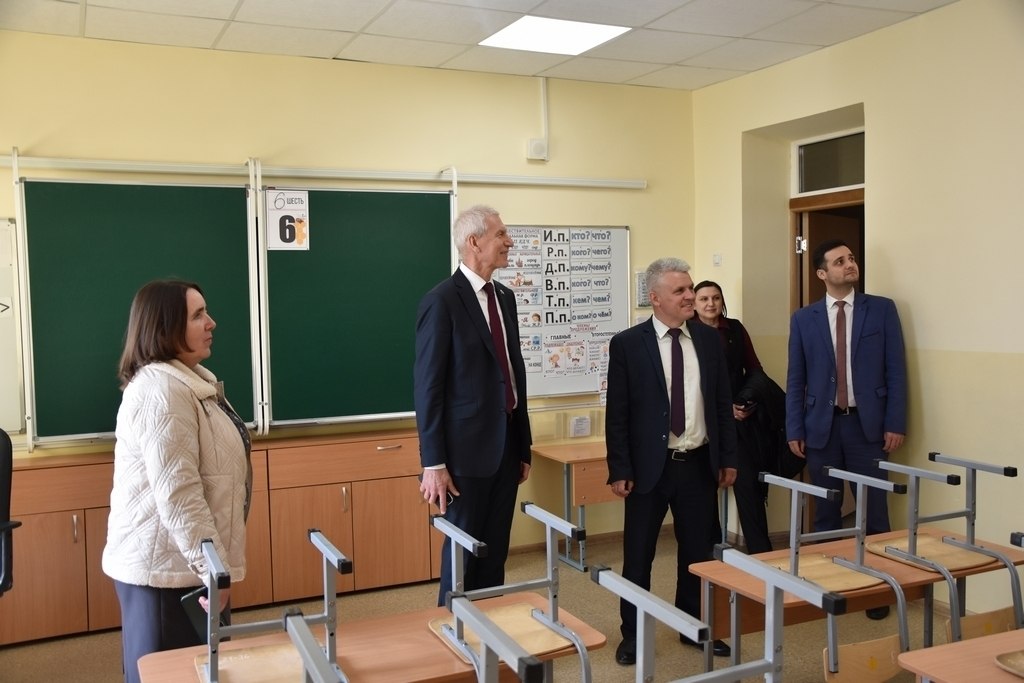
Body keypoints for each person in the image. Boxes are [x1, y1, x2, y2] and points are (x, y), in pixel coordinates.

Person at [103, 279, 252, 683]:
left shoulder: (190, 381)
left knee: (202, 670)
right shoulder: (162, 391)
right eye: (198, 315)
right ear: (165, 327)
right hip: (167, 574)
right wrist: (213, 571)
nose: (212, 322)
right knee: (170, 674)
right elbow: (179, 493)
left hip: (185, 565)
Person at [606, 258, 737, 665]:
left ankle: (692, 626)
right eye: (680, 290)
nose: (689, 296)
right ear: (655, 297)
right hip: (649, 468)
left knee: (698, 553)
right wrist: (620, 468)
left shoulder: (709, 340)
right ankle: (634, 634)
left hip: (698, 463)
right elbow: (618, 413)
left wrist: (727, 457)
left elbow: (721, 404)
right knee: (638, 556)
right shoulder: (628, 344)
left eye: (690, 288)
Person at [414, 205, 533, 607]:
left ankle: (489, 630)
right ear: (473, 242)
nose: (509, 242)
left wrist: (523, 445)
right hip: (463, 455)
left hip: (507, 447)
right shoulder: (442, 301)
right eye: (501, 234)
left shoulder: (505, 297)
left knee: (495, 552)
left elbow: (512, 373)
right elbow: (428, 386)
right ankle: (454, 631)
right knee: (463, 554)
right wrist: (433, 463)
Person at [786, 239, 907, 620]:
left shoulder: (881, 310)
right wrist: (794, 428)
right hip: (820, 428)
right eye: (839, 261)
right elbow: (796, 378)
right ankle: (827, 588)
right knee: (825, 510)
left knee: (874, 512)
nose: (849, 264)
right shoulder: (804, 319)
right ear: (822, 273)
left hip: (867, 428)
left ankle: (877, 591)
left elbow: (896, 370)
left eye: (851, 258)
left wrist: (895, 422)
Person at [694, 280, 779, 555]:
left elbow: (755, 370)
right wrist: (721, 408)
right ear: (694, 304)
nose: (711, 304)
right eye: (704, 299)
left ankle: (762, 555)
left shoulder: (735, 329)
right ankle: (711, 554)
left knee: (748, 487)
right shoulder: (687, 332)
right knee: (704, 492)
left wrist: (744, 401)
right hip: (701, 423)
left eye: (716, 298)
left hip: (737, 424)